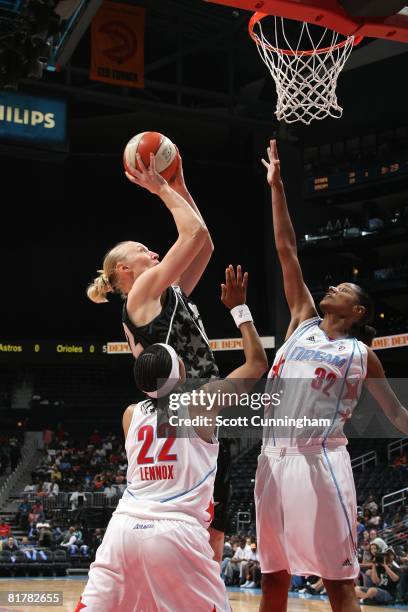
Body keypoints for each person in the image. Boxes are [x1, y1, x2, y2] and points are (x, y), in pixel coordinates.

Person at [256, 139, 408, 612]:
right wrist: (277, 187)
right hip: (271, 458)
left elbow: (395, 412)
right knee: (273, 578)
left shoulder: (362, 354)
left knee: (337, 581)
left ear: (357, 309)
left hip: (319, 463)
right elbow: (286, 250)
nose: (332, 286)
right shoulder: (301, 319)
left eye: (343, 287)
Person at [76, 265, 267, 611]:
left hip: (122, 528)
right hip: (175, 529)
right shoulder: (202, 402)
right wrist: (240, 309)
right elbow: (256, 363)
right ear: (179, 371)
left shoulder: (130, 414)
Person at [87, 150, 231, 562]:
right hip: (185, 413)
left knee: (209, 534)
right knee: (198, 535)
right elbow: (189, 234)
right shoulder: (143, 292)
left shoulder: (163, 293)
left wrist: (179, 181)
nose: (151, 251)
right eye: (141, 249)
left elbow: (201, 240)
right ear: (123, 273)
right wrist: (163, 188)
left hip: (192, 414)